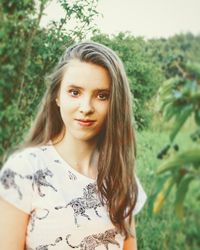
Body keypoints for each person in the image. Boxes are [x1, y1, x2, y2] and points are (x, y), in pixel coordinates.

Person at [0, 41, 147, 250]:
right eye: (75, 92)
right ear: (57, 96)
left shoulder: (122, 176)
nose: (86, 107)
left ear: (115, 103)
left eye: (102, 95)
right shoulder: (24, 171)